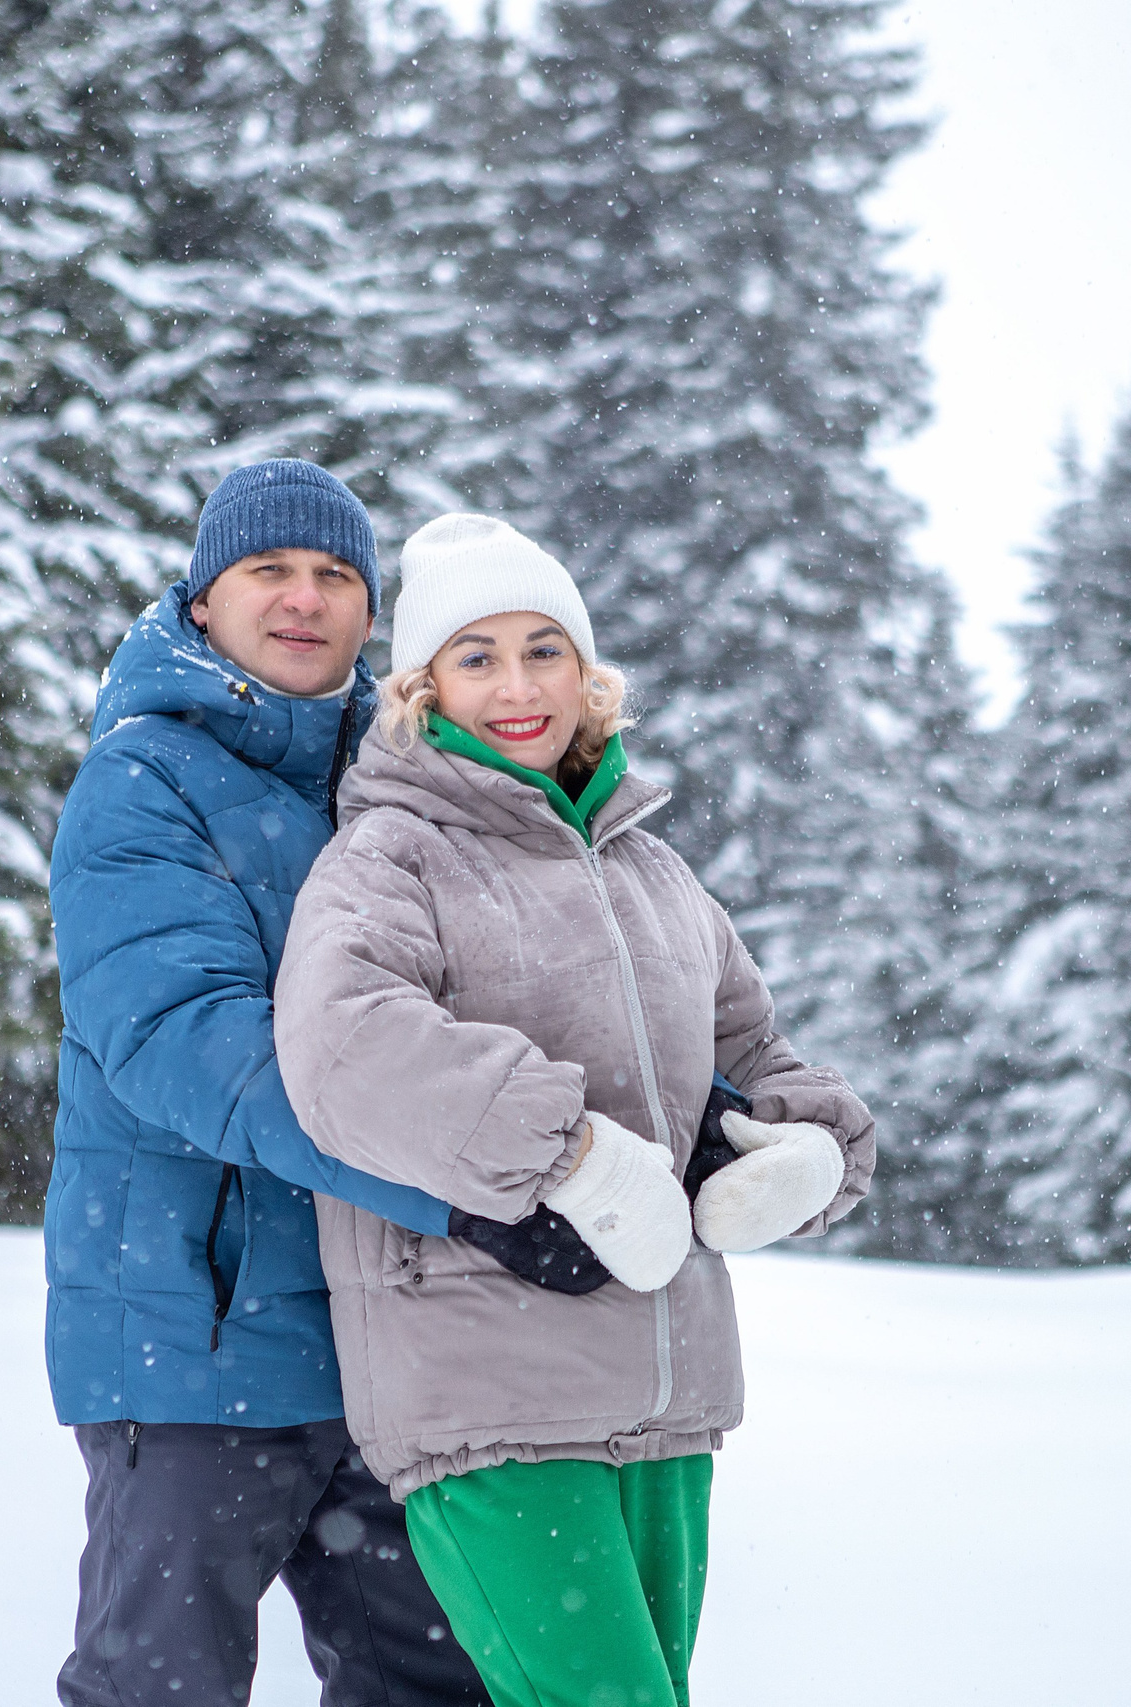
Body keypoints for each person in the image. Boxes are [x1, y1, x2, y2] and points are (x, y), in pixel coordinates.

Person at [273, 513, 877, 1707]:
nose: (516, 685)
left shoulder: (649, 868)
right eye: (477, 655)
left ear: (586, 673)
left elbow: (751, 1050)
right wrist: (575, 1156)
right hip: (487, 1398)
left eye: (543, 649)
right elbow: (342, 1049)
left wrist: (804, 1144)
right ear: (422, 687)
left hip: (665, 1397)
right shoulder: (391, 855)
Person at [44, 461, 490, 1707]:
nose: (304, 600)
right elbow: (192, 1044)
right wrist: (471, 1185)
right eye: (268, 571)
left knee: (440, 1688)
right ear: (202, 601)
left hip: (382, 1344)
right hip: (196, 1346)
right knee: (162, 1691)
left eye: (336, 575)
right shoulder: (143, 779)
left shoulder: (397, 790)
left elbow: (520, 976)